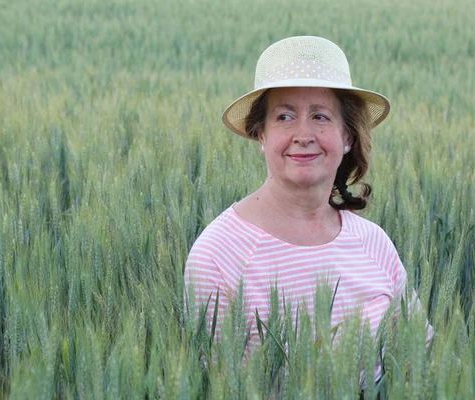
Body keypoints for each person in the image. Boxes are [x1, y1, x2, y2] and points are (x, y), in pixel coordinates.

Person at [184, 36, 432, 379]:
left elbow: (423, 355)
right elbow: (220, 386)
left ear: (347, 137)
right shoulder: (218, 256)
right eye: (284, 116)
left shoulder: (373, 242)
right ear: (261, 136)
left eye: (320, 116)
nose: (303, 134)